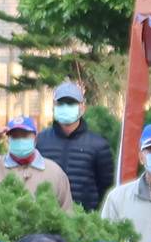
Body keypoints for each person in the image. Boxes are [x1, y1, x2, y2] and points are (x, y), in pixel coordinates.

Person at [0, 114, 74, 204]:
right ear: (8, 139)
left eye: (25, 135)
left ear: (35, 138)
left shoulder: (54, 172)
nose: (20, 139)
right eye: (15, 136)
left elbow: (66, 213)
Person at [41, 81, 114, 210]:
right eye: (61, 104)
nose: (65, 107)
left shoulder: (98, 145)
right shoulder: (41, 141)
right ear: (53, 106)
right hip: (47, 215)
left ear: (82, 107)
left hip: (83, 217)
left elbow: (106, 188)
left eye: (71, 103)